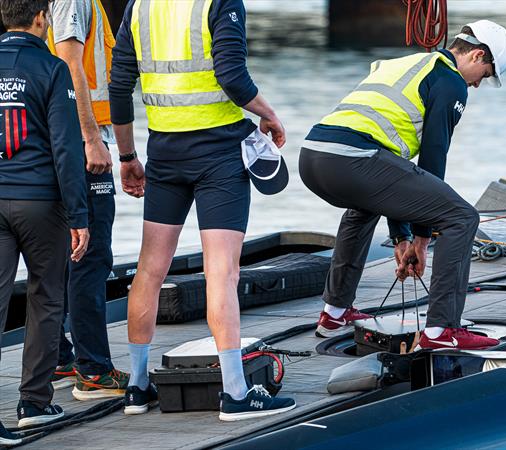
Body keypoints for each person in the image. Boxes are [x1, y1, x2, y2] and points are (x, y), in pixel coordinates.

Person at [109, 0, 296, 420]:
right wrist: (269, 114)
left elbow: (119, 85)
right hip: (219, 154)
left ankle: (137, 388)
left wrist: (127, 156)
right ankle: (235, 393)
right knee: (222, 272)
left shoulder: (139, 6)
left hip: (164, 151)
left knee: (150, 269)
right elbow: (232, 77)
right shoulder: (219, 2)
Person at [299, 21, 506, 350]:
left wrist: (402, 236)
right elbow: (432, 158)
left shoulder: (409, 63)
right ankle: (442, 331)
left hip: (314, 156)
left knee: (364, 206)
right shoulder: (450, 81)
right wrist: (423, 239)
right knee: (462, 217)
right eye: (484, 75)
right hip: (355, 159)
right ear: (477, 55)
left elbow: (392, 178)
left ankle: (335, 312)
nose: (477, 85)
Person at [0, 0, 90, 436]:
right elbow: (66, 149)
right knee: (46, 297)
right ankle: (33, 402)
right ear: (41, 18)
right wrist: (79, 214)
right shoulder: (53, 70)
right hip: (41, 202)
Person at [46, 0, 130, 401]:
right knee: (90, 256)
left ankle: (61, 358)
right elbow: (70, 66)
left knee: (66, 254)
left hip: (63, 141)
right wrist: (91, 139)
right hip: (82, 144)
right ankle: (93, 371)